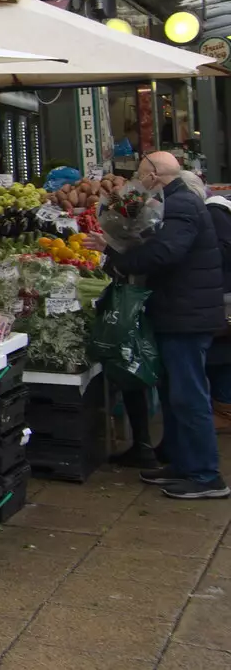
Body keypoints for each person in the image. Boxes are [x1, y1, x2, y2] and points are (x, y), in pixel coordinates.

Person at [88, 152, 228, 499]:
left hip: (185, 314)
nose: (137, 180)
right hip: (178, 310)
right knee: (174, 394)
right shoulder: (176, 201)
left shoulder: (181, 205)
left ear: (154, 175)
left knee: (189, 394)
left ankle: (206, 476)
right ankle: (182, 464)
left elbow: (164, 254)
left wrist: (115, 254)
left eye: (140, 173)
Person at [204, 185, 231, 434]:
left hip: (224, 295)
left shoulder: (215, 212)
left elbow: (222, 251)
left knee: (222, 352)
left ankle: (225, 411)